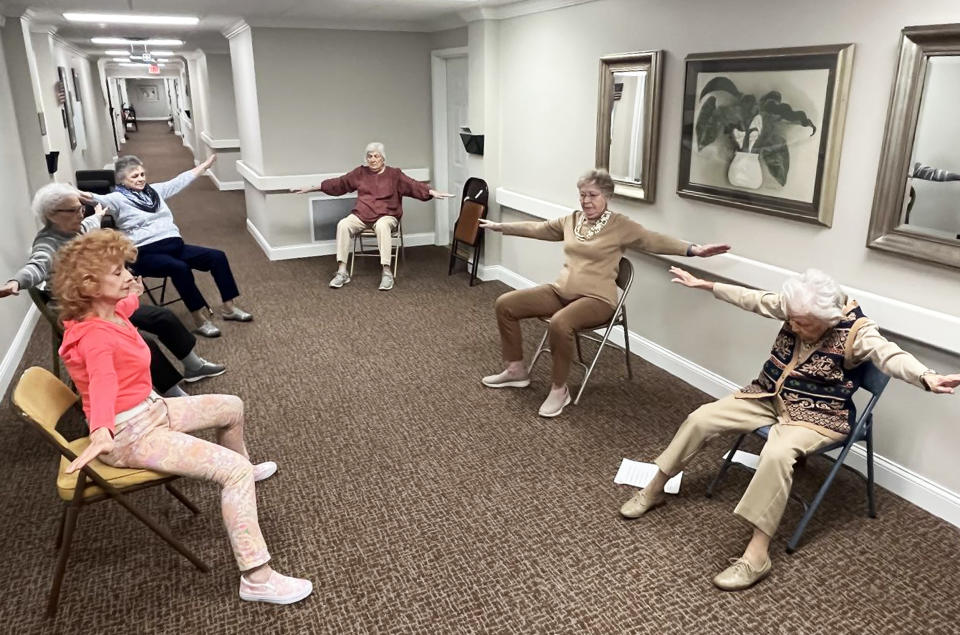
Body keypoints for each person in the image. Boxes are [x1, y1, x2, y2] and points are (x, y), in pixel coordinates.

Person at [619, 266, 960, 591]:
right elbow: (753, 299)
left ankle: (757, 555)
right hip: (770, 394)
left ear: (827, 319)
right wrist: (706, 285)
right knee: (701, 417)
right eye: (791, 320)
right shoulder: (797, 306)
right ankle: (655, 488)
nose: (794, 327)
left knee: (777, 453)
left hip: (819, 415)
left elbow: (890, 355)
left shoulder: (858, 332)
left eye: (803, 324)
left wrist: (927, 377)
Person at [52, 230, 312, 605]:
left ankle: (243, 467)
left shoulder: (109, 313)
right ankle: (257, 577)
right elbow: (104, 381)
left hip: (150, 410)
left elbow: (123, 309)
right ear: (90, 285)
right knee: (232, 473)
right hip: (128, 434)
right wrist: (101, 430)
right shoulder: (95, 337)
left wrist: (129, 293)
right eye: (117, 272)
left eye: (126, 267)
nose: (128, 275)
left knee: (231, 405)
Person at [478, 169, 730, 417]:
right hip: (560, 292)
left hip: (597, 300)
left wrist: (693, 250)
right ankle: (515, 371)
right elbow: (538, 228)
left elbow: (653, 239)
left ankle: (559, 390)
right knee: (505, 304)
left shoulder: (619, 225)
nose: (586, 201)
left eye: (593, 195)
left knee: (559, 323)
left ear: (607, 195)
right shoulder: (572, 220)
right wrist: (501, 226)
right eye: (582, 195)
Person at [1, 183, 224, 396]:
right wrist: (16, 282)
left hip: (101, 300)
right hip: (80, 310)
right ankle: (173, 392)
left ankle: (193, 366)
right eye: (75, 210)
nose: (81, 213)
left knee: (163, 317)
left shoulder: (75, 228)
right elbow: (37, 265)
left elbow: (90, 224)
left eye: (82, 207)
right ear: (52, 215)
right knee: (140, 340)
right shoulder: (47, 243)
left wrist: (97, 214)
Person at [80, 154, 251, 337]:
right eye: (135, 176)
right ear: (122, 180)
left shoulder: (155, 191)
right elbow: (93, 198)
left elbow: (180, 180)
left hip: (175, 247)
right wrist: (67, 192)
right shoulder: (117, 198)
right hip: (144, 254)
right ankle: (199, 319)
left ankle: (229, 308)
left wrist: (204, 166)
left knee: (217, 256)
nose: (140, 179)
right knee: (180, 268)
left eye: (142, 174)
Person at [291, 142, 453, 290]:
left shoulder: (394, 174)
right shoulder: (360, 173)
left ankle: (387, 272)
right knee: (343, 224)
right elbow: (338, 183)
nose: (373, 159)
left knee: (382, 225)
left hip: (387, 215)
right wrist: (312, 188)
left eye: (376, 156)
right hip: (362, 215)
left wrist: (431, 191)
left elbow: (413, 185)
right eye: (370, 156)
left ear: (383, 158)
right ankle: (342, 271)